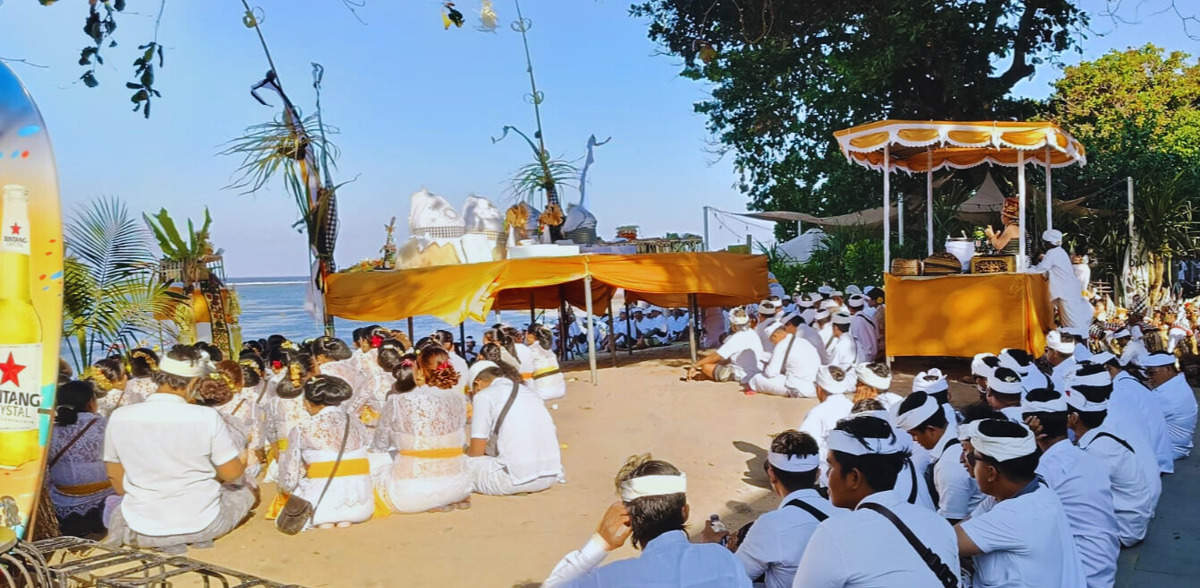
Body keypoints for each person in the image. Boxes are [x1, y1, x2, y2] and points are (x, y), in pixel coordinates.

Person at [103, 344, 251, 554]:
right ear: (194, 382)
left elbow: (117, 483)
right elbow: (232, 474)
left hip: (142, 528)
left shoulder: (119, 416)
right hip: (205, 524)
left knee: (119, 507)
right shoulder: (207, 417)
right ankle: (193, 537)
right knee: (246, 488)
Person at [793, 414, 960, 587]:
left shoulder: (833, 532)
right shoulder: (939, 524)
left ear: (854, 477)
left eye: (831, 466)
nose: (827, 475)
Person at [543, 455, 750, 587]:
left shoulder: (609, 579)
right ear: (684, 512)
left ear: (628, 520)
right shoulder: (726, 561)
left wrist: (600, 543)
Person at [954, 419, 1085, 588]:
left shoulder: (1017, 513)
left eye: (973, 458)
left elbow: (944, 542)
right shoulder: (1035, 489)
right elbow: (962, 528)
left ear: (991, 472)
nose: (963, 461)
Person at [1022, 387, 1120, 588]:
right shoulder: (1089, 457)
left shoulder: (1045, 470)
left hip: (1081, 576)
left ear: (1032, 426)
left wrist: (1023, 445)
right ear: (1067, 421)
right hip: (1104, 567)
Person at [725, 430, 843, 588]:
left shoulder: (772, 525)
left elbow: (733, 577)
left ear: (772, 474)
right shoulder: (844, 513)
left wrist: (714, 546)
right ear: (817, 474)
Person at [1064, 363, 1158, 547]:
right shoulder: (1103, 431)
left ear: (1074, 418)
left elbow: (1078, 498)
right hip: (1132, 518)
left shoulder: (1096, 450)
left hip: (1123, 531)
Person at [370, 353, 471, 513]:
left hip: (411, 494)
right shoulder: (459, 399)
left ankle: (431, 499)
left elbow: (379, 445)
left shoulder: (397, 401)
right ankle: (445, 496)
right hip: (460, 486)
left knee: (374, 459)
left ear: (421, 372)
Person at [277, 374, 375, 529]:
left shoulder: (302, 428)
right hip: (362, 507)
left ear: (309, 402)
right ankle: (345, 518)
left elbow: (291, 477)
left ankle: (328, 519)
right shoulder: (356, 422)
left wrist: (283, 488)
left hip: (318, 508)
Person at [466, 360, 563, 495]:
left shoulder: (483, 396)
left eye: (472, 391)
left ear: (478, 383)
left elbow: (476, 452)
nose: (473, 395)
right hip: (549, 476)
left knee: (463, 465)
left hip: (513, 481)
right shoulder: (529, 392)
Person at [894, 391, 981, 524]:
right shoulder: (957, 437)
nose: (914, 440)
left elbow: (952, 519)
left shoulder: (950, 464)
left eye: (914, 435)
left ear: (931, 430)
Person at [49, 381, 115, 537]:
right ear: (91, 402)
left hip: (61, 502)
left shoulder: (51, 431)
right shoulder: (107, 425)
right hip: (105, 498)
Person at [1092, 351, 1174, 474]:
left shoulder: (1122, 391)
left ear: (1108, 369)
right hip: (1156, 454)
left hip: (1151, 463)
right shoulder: (1127, 382)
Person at [799, 366, 855, 483]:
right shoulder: (852, 407)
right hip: (852, 471)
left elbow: (803, 446)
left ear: (819, 389)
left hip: (826, 475)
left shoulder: (817, 413)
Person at [1142, 351, 1198, 460]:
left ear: (1168, 369)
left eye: (1151, 373)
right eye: (1146, 373)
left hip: (1167, 449)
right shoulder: (1178, 382)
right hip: (1178, 444)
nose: (1148, 377)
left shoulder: (1164, 396)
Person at [687, 308, 764, 384]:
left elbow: (717, 356)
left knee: (706, 367)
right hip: (756, 371)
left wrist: (696, 365)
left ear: (733, 324)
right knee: (720, 362)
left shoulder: (737, 338)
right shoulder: (752, 333)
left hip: (742, 374)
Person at [1035, 230, 1093, 330]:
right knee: (1071, 322)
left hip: (1066, 293)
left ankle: (1078, 343)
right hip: (1068, 291)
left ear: (1049, 243)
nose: (1044, 245)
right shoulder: (1060, 252)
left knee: (1072, 324)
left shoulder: (1052, 253)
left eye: (1045, 242)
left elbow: (1040, 269)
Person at [748, 322, 820, 398]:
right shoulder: (803, 341)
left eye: (772, 341)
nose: (773, 343)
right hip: (814, 387)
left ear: (775, 336)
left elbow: (771, 373)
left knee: (756, 378)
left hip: (798, 388)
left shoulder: (781, 344)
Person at [526, 325, 567, 401]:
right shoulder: (548, 349)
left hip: (543, 392)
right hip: (561, 389)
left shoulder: (530, 350)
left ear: (531, 335)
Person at [847, 295, 878, 363]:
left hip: (862, 357)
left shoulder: (855, 320)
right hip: (872, 355)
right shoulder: (871, 318)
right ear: (863, 306)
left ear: (850, 308)